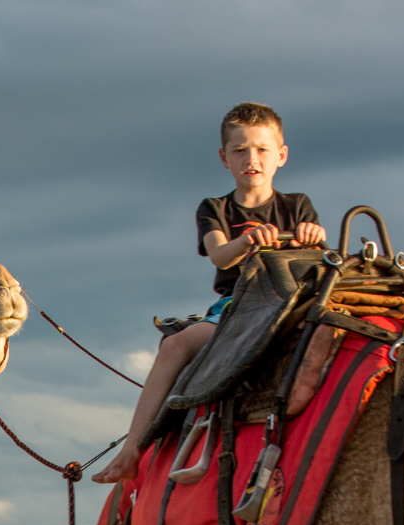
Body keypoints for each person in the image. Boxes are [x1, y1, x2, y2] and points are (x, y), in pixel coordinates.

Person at [94, 102, 325, 486]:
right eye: (240, 150)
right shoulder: (215, 208)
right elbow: (219, 254)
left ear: (281, 155)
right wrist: (249, 239)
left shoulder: (297, 205)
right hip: (238, 306)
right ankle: (132, 448)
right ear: (224, 158)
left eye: (262, 149)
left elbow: (315, 257)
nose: (252, 158)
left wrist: (314, 237)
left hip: (290, 302)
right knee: (175, 346)